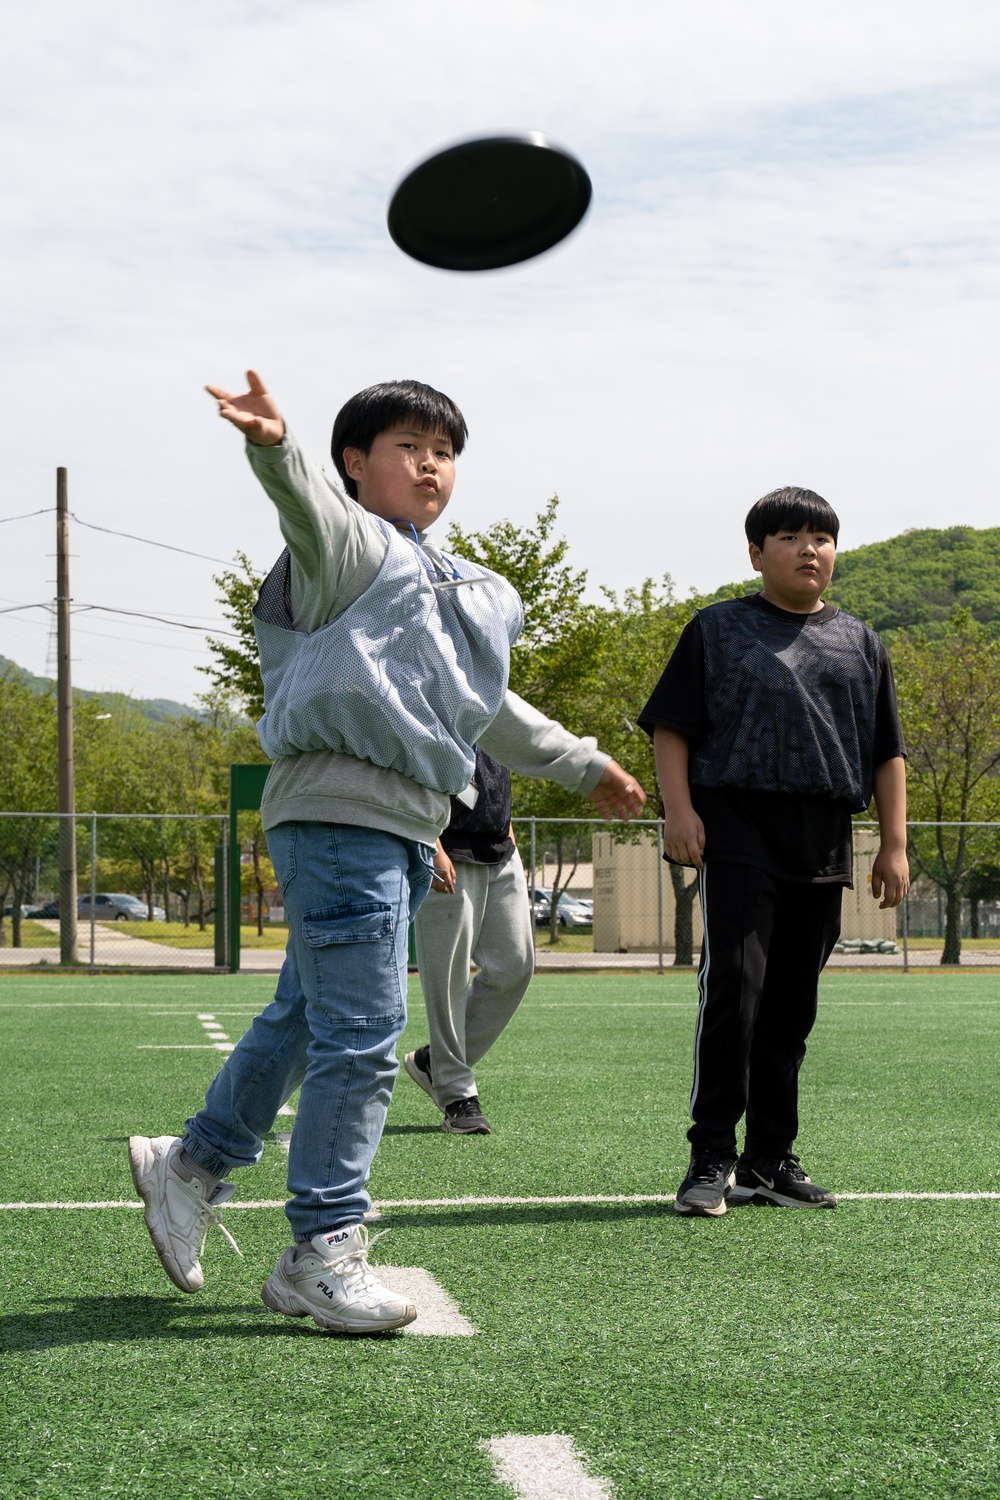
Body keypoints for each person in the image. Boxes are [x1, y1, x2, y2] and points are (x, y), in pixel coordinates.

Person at [129, 371, 646, 1332]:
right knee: (365, 1039)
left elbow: (488, 709)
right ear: (355, 466)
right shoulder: (348, 550)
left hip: (402, 823)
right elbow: (308, 507)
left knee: (304, 1022)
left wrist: (586, 764)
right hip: (340, 811)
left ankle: (190, 1165)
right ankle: (320, 1249)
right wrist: (276, 446)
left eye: (444, 451)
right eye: (407, 447)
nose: (430, 465)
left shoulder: (462, 586)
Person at [638, 486, 908, 1218]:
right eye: (789, 537)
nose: (808, 549)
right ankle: (711, 1156)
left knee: (792, 1004)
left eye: (821, 537)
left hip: (822, 833)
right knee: (738, 986)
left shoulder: (860, 641)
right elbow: (673, 728)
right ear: (757, 553)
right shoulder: (718, 630)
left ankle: (769, 1160)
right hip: (736, 824)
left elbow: (887, 752)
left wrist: (894, 844)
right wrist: (680, 811)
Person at [404, 747, 532, 1135]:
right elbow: (411, 766)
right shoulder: (429, 687)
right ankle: (458, 1095)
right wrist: (432, 844)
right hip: (446, 847)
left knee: (515, 964)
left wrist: (508, 831)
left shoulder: (495, 694)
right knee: (448, 979)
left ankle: (435, 1063)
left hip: (500, 849)